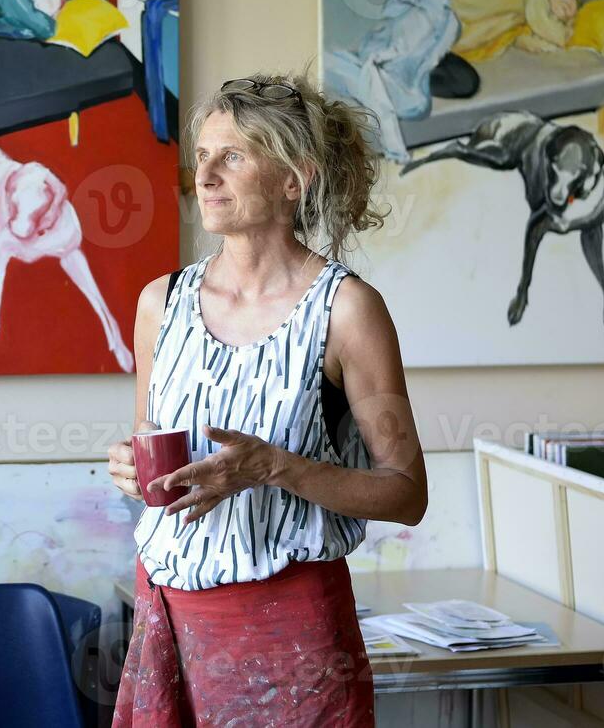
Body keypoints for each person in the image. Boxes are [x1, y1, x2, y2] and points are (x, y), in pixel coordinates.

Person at [106, 69, 428, 727]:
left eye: (233, 156)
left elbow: (407, 493)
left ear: (293, 179)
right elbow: (150, 450)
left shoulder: (348, 311)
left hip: (293, 635)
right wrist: (131, 473)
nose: (207, 174)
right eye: (201, 156)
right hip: (168, 614)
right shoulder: (158, 304)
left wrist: (271, 466)